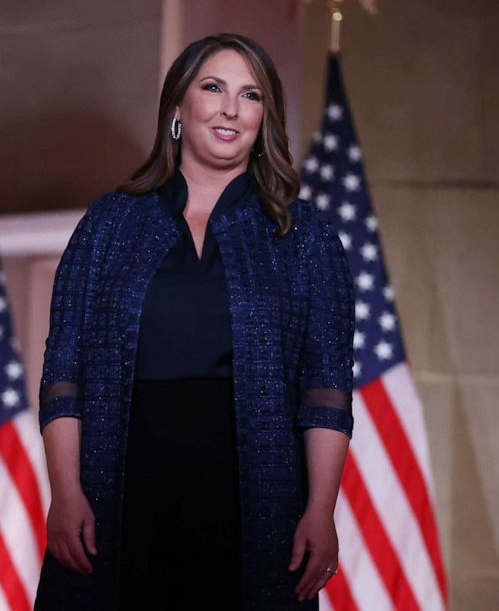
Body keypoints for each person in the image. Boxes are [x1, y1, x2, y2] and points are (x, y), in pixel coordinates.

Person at [34, 33, 355, 610]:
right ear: (178, 108)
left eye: (250, 94)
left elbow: (326, 390)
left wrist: (319, 511)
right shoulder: (110, 224)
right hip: (121, 490)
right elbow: (64, 374)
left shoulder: (305, 237)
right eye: (214, 88)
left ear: (266, 119)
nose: (231, 108)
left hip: (256, 499)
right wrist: (65, 494)